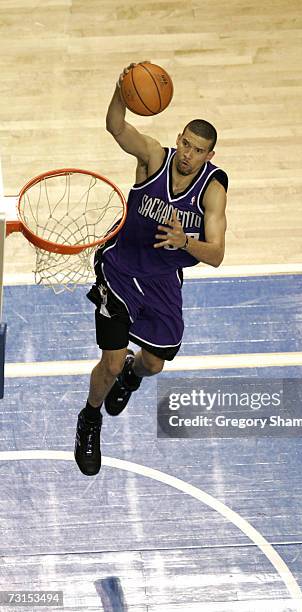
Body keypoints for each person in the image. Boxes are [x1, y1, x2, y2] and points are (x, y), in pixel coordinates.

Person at [74, 63, 228, 476]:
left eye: (198, 150)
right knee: (110, 360)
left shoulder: (212, 190)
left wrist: (186, 243)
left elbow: (216, 255)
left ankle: (130, 376)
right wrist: (121, 90)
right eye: (186, 143)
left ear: (209, 156)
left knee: (154, 363)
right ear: (178, 138)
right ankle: (90, 418)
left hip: (161, 280)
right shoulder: (154, 157)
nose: (188, 154)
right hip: (121, 267)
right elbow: (115, 126)